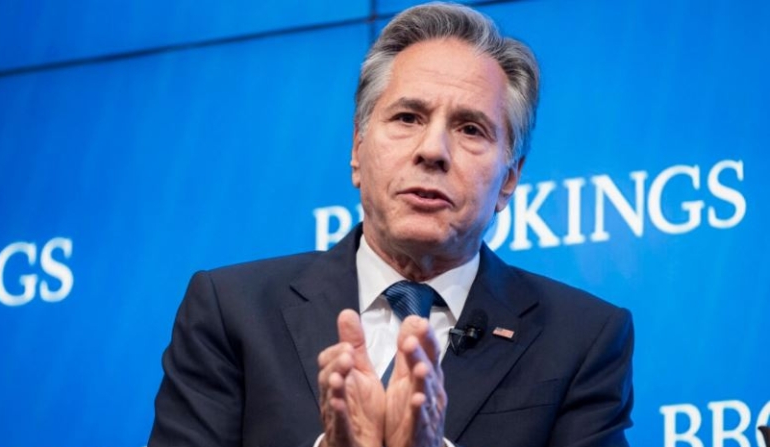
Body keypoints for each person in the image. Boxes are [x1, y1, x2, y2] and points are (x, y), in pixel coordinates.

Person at [149, 3, 634, 447]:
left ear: (508, 180)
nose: (433, 151)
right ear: (358, 150)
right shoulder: (232, 311)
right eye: (407, 117)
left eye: (470, 129)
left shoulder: (581, 339)